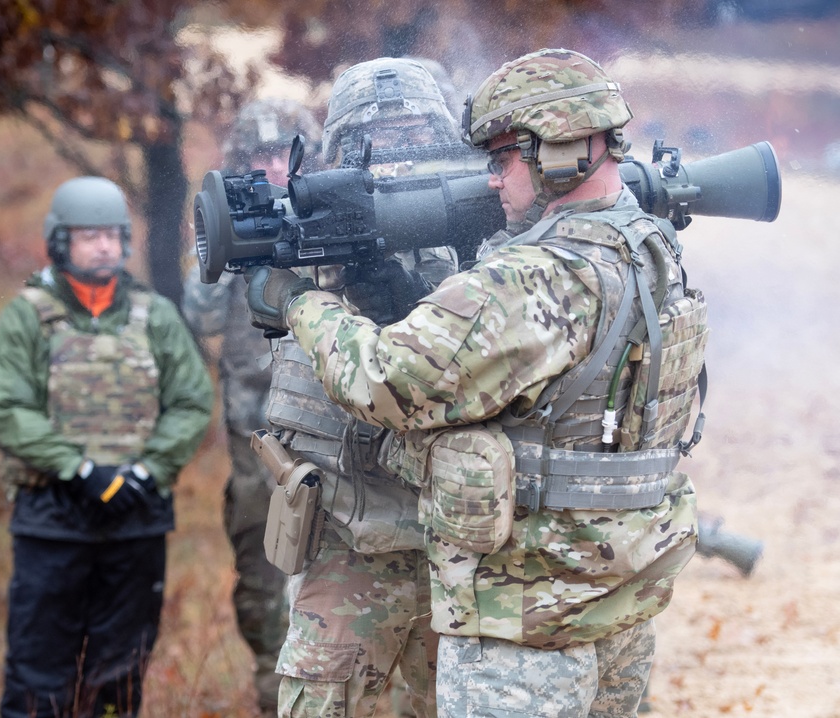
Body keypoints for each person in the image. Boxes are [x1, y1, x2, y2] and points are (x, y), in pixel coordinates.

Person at [246, 48, 706, 718]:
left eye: (501, 159)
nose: (492, 182)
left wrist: (297, 301)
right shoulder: (650, 250)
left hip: (520, 605)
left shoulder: (528, 278)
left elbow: (385, 377)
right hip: (600, 592)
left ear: (561, 152)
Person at [262, 57, 472, 718]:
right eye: (374, 141)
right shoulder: (311, 242)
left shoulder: (485, 242)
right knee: (315, 702)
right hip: (354, 536)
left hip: (461, 549)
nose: (397, 153)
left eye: (415, 134)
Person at [0, 176, 214, 718]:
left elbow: (191, 402)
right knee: (39, 669)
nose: (105, 246)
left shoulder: (154, 315)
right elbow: (11, 412)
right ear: (61, 241)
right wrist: (78, 469)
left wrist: (145, 472)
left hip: (136, 518)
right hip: (52, 519)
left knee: (120, 673)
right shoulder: (27, 316)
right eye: (89, 236)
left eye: (113, 235)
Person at [181, 97, 323, 716]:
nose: (271, 166)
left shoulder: (332, 208)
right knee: (263, 567)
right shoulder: (231, 215)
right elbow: (202, 314)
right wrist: (226, 236)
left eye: (281, 153)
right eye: (257, 155)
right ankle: (274, 684)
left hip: (333, 422)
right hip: (258, 432)